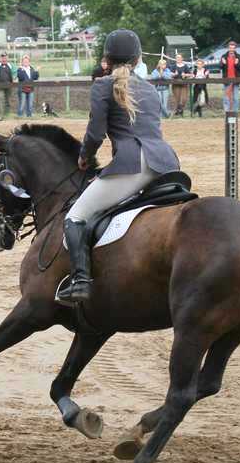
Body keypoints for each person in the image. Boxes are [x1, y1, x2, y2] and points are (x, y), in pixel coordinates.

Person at [57, 29, 181, 303]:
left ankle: (79, 281)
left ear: (107, 60)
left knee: (75, 217)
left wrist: (84, 157)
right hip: (167, 162)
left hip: (132, 163)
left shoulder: (102, 86)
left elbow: (95, 134)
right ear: (138, 60)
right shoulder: (149, 88)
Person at [219, 41, 240, 112]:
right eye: (230, 48)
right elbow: (220, 66)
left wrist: (237, 64)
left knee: (236, 98)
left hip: (236, 79)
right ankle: (226, 112)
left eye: (233, 48)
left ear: (235, 48)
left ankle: (235, 112)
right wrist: (223, 63)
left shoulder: (239, 56)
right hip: (226, 79)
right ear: (228, 48)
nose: (231, 49)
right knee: (226, 97)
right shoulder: (224, 56)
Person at [0, 53, 15, 120]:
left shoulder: (11, 65)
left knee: (8, 100)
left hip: (9, 86)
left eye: (5, 57)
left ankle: (7, 114)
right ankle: (0, 115)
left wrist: (14, 77)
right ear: (0, 58)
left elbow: (15, 72)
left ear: (7, 58)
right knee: (0, 99)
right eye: (2, 57)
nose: (4, 59)